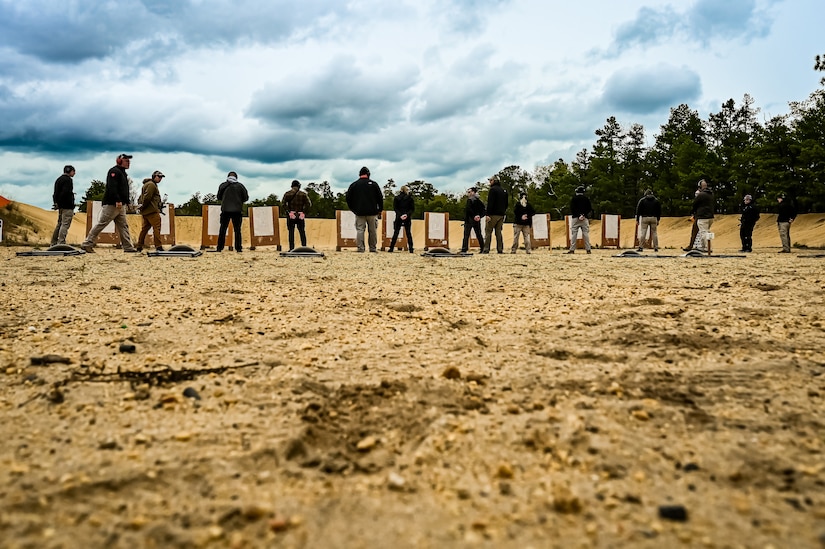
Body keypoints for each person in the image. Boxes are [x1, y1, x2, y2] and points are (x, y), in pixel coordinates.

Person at [81, 154, 138, 253]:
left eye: (129, 161)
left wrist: (127, 202)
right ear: (119, 161)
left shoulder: (122, 173)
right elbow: (113, 188)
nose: (128, 163)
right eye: (126, 161)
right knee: (102, 223)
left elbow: (124, 190)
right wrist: (117, 200)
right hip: (112, 204)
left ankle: (128, 247)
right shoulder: (114, 172)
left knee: (123, 226)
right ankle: (87, 243)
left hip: (120, 205)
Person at [345, 167, 383, 253]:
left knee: (360, 230)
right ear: (368, 174)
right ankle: (372, 248)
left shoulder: (354, 185)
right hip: (372, 212)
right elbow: (380, 198)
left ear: (359, 174)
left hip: (359, 212)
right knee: (372, 231)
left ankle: (360, 248)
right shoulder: (374, 184)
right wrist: (380, 209)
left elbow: (348, 198)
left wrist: (353, 209)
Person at [215, 171, 249, 252]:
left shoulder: (223, 185)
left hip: (225, 210)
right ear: (236, 178)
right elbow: (246, 198)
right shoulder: (240, 186)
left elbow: (219, 197)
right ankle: (238, 248)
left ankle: (219, 248)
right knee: (237, 230)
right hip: (237, 211)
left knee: (222, 229)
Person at [136, 170, 165, 252]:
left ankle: (139, 246)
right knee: (157, 228)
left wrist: (142, 207)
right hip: (152, 211)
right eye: (159, 177)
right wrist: (144, 205)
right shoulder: (152, 185)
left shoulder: (148, 184)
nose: (160, 179)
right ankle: (158, 246)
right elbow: (147, 197)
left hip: (146, 211)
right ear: (154, 176)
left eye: (161, 177)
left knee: (144, 229)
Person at [50, 165, 76, 246]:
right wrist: (71, 203)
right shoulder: (68, 180)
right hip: (67, 206)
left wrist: (56, 203)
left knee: (59, 224)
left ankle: (53, 242)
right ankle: (61, 242)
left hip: (60, 206)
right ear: (70, 171)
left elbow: (55, 193)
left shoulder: (58, 179)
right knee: (65, 224)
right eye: (73, 171)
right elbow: (66, 193)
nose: (74, 173)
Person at [282, 179, 311, 250]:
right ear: (299, 186)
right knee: (302, 231)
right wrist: (303, 212)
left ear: (292, 186)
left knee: (291, 232)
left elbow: (283, 204)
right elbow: (309, 204)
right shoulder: (303, 194)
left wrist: (288, 212)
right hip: (300, 214)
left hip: (291, 214)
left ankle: (291, 248)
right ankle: (304, 247)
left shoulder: (287, 194)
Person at [482, 175, 507, 254]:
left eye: (491, 180)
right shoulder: (503, 191)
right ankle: (500, 249)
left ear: (494, 181)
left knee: (488, 231)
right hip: (501, 215)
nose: (490, 182)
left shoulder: (492, 190)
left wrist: (488, 214)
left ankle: (486, 249)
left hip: (493, 214)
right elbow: (506, 204)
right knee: (498, 232)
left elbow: (490, 203)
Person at [388, 185, 414, 253]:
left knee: (396, 232)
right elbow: (412, 209)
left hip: (399, 217)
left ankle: (391, 247)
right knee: (408, 233)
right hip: (407, 217)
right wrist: (407, 215)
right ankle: (411, 248)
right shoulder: (410, 198)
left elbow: (395, 208)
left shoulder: (397, 198)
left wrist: (400, 215)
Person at [459, 187, 485, 253]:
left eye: (469, 192)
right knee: (479, 234)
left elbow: (468, 210)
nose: (468, 194)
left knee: (466, 235)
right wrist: (479, 216)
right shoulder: (479, 200)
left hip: (469, 220)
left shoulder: (470, 200)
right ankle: (483, 248)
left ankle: (464, 249)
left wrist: (473, 216)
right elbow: (484, 210)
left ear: (473, 192)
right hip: (477, 220)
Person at [567, 186, 592, 254]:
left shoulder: (574, 198)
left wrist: (578, 215)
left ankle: (572, 249)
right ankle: (588, 249)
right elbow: (589, 208)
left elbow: (572, 208)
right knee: (585, 233)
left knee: (574, 234)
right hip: (584, 218)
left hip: (575, 218)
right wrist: (583, 215)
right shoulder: (586, 199)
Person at [691, 179, 714, 252]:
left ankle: (707, 247)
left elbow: (695, 204)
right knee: (706, 231)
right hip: (710, 216)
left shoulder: (701, 195)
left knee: (703, 232)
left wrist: (693, 212)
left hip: (702, 216)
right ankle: (704, 246)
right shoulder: (711, 194)